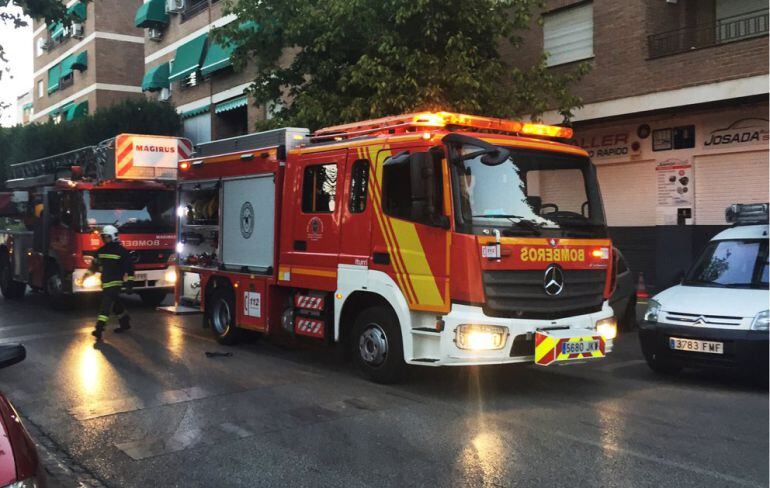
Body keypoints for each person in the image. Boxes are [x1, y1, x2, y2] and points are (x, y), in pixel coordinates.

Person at [83, 225, 134, 340]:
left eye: (107, 237)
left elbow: (130, 268)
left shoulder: (122, 252)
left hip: (115, 283)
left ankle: (99, 329)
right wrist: (86, 275)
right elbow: (94, 266)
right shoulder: (101, 251)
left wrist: (130, 283)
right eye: (103, 237)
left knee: (105, 306)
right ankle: (125, 322)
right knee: (115, 304)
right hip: (105, 283)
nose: (105, 239)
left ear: (113, 236)